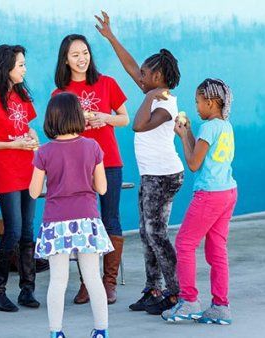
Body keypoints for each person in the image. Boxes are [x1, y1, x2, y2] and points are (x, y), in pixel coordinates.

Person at [95, 11, 185, 314]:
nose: (139, 78)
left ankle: (175, 292)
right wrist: (111, 38)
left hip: (165, 176)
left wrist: (151, 95)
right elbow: (132, 66)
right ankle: (153, 287)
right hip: (152, 176)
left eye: (145, 77)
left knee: (156, 233)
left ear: (157, 79)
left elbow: (138, 124)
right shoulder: (153, 93)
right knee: (148, 233)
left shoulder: (166, 104)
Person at [52, 34, 129, 305]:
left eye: (84, 52)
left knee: (110, 219)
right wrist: (79, 122)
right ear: (65, 59)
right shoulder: (60, 94)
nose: (81, 58)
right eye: (75, 55)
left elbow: (124, 118)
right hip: (76, 166)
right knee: (85, 224)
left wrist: (105, 118)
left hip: (109, 161)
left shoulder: (107, 82)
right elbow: (56, 131)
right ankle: (88, 282)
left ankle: (108, 284)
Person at [30, 92, 113, 338]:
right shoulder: (93, 147)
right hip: (87, 219)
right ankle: (101, 331)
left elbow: (34, 192)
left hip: (56, 222)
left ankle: (56, 332)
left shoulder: (43, 152)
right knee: (92, 277)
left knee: (58, 280)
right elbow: (102, 188)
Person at [162, 79, 237, 325]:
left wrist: (183, 137)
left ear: (210, 102)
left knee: (184, 243)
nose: (196, 106)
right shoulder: (224, 126)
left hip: (209, 194)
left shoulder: (208, 128)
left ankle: (189, 301)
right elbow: (203, 156)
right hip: (227, 192)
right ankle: (220, 306)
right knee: (217, 249)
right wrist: (189, 133)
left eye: (197, 101)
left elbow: (194, 164)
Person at [0, 44, 40, 312]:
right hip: (5, 172)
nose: (24, 69)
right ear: (7, 68)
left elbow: (29, 127)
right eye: (20, 65)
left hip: (28, 169)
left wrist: (33, 138)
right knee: (12, 231)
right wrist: (12, 145)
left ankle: (28, 289)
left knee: (27, 231)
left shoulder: (23, 95)